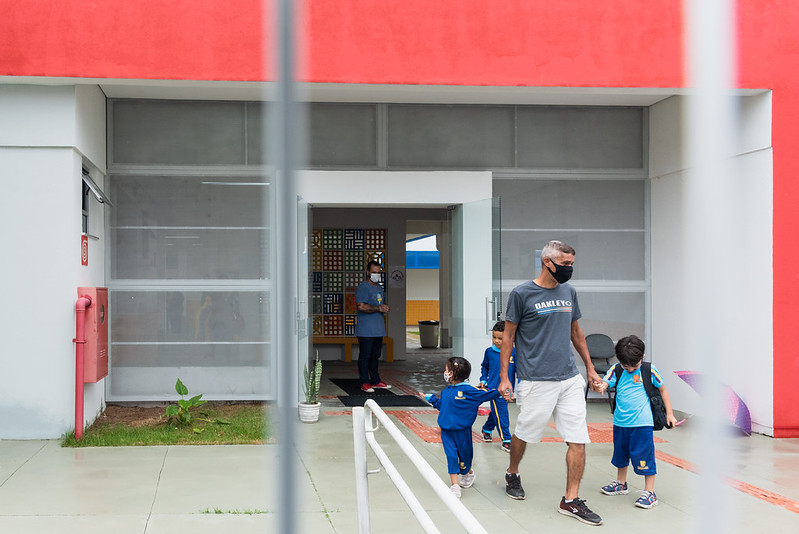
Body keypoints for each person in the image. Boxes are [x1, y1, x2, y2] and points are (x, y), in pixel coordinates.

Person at [497, 239, 604, 526]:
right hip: (535, 379)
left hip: (569, 378)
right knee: (525, 433)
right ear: (548, 262)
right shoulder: (522, 293)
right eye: (565, 264)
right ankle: (513, 471)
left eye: (571, 264)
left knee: (578, 439)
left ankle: (570, 500)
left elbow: (576, 332)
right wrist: (505, 376)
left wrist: (590, 370)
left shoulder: (569, 291)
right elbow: (508, 337)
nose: (569, 269)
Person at [596, 335, 678, 509]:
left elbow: (663, 389)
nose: (631, 368)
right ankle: (621, 483)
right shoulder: (616, 369)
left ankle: (649, 492)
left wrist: (669, 414)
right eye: (627, 366)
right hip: (620, 423)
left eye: (635, 365)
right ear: (620, 361)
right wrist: (601, 386)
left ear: (642, 357)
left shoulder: (649, 370)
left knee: (644, 457)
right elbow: (605, 382)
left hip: (642, 424)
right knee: (620, 454)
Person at [422, 356, 500, 499]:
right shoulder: (446, 392)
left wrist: (502, 390)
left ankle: (468, 473)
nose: (444, 372)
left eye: (446, 370)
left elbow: (488, 394)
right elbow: (441, 406)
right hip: (446, 432)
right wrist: (431, 398)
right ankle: (454, 485)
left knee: (464, 458)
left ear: (451, 373)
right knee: (451, 456)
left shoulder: (470, 391)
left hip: (463, 432)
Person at [478, 321, 517, 452]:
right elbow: (485, 366)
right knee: (502, 412)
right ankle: (506, 440)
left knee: (497, 412)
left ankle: (486, 429)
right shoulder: (489, 352)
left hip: (507, 389)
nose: (497, 341)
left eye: (500, 338)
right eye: (494, 337)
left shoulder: (514, 352)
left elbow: (519, 370)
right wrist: (483, 379)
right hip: (494, 389)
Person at [355, 260, 391, 393]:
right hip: (366, 330)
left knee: (376, 355)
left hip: (378, 329)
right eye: (374, 272)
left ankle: (375, 380)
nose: (376, 275)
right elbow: (361, 306)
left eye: (378, 272)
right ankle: (365, 382)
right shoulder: (363, 287)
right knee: (365, 356)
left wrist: (384, 308)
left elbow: (379, 304)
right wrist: (378, 308)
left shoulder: (379, 287)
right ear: (367, 272)